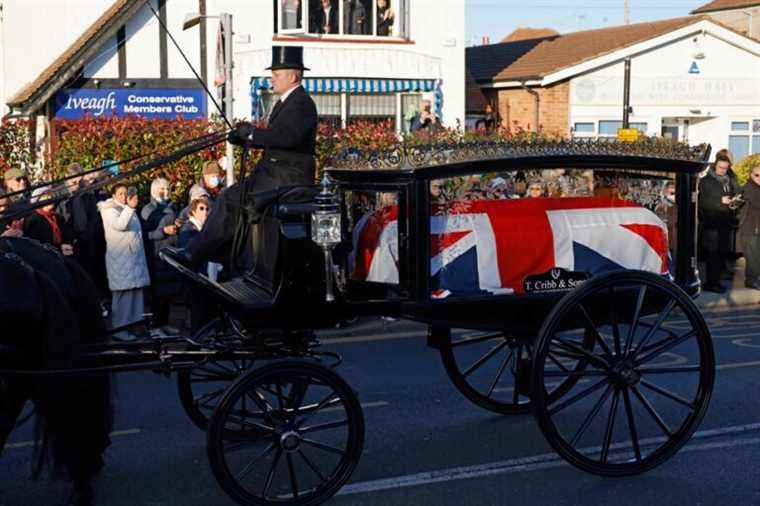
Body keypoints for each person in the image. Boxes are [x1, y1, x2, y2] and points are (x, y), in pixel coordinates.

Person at [189, 46, 318, 273]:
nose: (272, 79)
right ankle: (227, 257)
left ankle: (198, 253)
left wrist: (251, 135)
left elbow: (286, 137)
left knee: (230, 198)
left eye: (276, 75)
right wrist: (245, 138)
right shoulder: (285, 102)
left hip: (287, 177)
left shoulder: (302, 103)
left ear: (293, 76)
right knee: (233, 197)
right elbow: (275, 138)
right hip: (273, 175)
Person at [98, 184, 150, 341]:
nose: (123, 196)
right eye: (120, 193)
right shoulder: (109, 210)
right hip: (120, 261)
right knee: (123, 297)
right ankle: (120, 330)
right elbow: (120, 225)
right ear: (113, 196)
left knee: (135, 294)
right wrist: (129, 208)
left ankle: (134, 326)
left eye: (125, 193)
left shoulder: (127, 209)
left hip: (133, 260)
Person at [140, 177, 182, 334]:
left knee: (168, 292)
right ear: (153, 191)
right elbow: (146, 235)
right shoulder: (147, 210)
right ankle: (156, 326)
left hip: (171, 253)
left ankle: (165, 323)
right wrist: (163, 232)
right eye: (161, 189)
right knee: (158, 293)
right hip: (156, 255)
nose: (165, 192)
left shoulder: (172, 207)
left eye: (167, 188)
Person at [698, 153, 739, 293]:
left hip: (725, 223)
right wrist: (720, 202)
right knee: (713, 255)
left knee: (721, 254)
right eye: (721, 168)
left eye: (725, 168)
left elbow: (733, 196)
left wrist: (734, 202)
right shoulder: (706, 181)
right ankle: (711, 283)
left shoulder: (728, 180)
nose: (723, 170)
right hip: (712, 224)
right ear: (715, 166)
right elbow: (702, 203)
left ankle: (716, 281)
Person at [178, 197, 214, 332]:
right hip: (196, 278)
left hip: (204, 278)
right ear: (193, 212)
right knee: (198, 317)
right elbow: (190, 253)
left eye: (206, 209)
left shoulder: (203, 229)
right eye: (201, 209)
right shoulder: (188, 229)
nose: (205, 212)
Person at [23, 186, 75, 256]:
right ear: (38, 201)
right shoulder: (33, 220)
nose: (49, 199)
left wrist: (69, 244)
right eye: (45, 197)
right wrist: (59, 248)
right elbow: (38, 244)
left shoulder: (57, 217)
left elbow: (67, 234)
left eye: (50, 196)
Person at [739, 164, 760, 290]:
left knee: (757, 255)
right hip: (750, 228)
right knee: (752, 257)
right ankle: (751, 281)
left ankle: (754, 279)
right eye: (757, 175)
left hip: (756, 228)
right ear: (751, 175)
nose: (759, 178)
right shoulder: (749, 188)